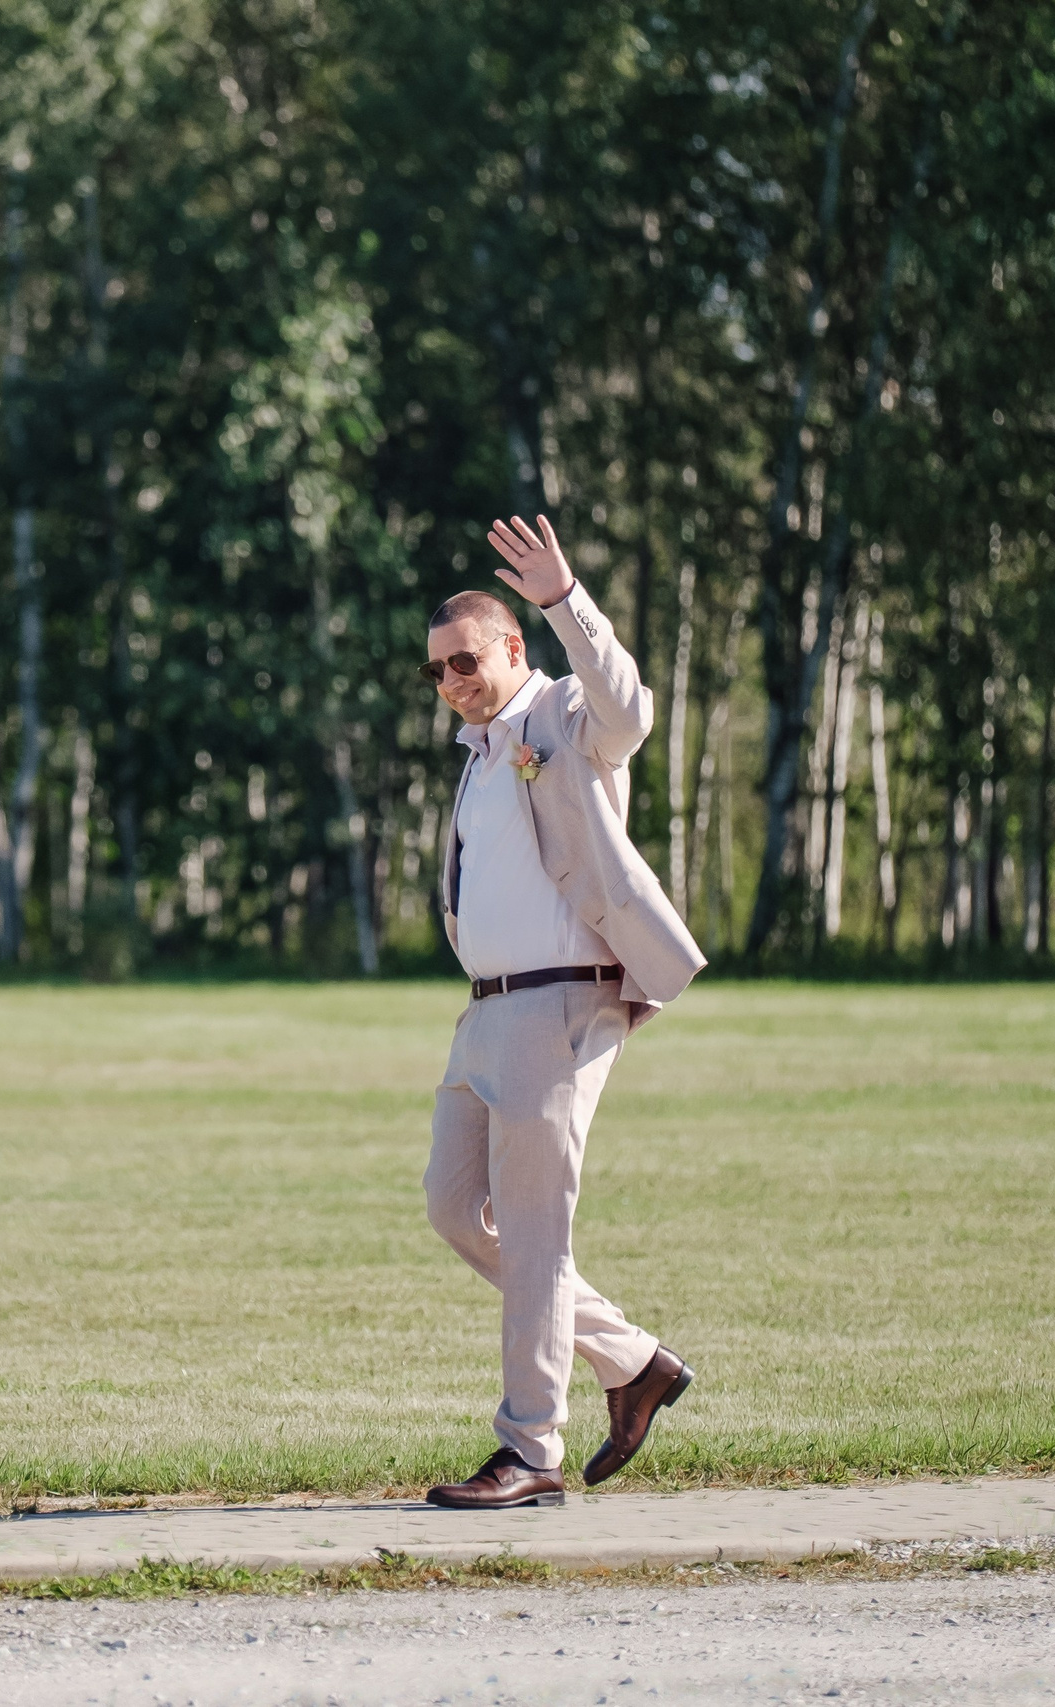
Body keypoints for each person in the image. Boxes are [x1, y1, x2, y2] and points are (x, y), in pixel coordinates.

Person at [418, 513, 709, 1511]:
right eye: (437, 671)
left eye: (466, 659)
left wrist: (564, 599)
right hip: (485, 1015)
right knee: (457, 1210)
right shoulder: (482, 750)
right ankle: (633, 1365)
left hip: (557, 1006)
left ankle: (529, 1450)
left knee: (535, 1236)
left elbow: (628, 711)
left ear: (510, 648)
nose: (453, 678)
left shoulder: (560, 720)